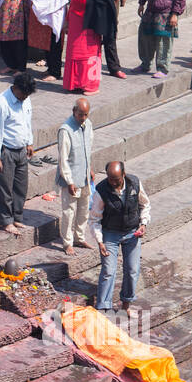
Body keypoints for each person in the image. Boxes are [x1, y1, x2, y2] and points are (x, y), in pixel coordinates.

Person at [91, 161, 150, 313]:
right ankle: (103, 308)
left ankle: (126, 304)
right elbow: (95, 219)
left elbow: (145, 205)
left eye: (116, 179)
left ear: (123, 175)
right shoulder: (101, 190)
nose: (113, 183)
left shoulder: (135, 183)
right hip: (110, 234)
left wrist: (143, 224)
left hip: (132, 232)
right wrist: (99, 241)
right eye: (110, 179)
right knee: (108, 271)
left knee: (132, 270)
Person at [0, 71, 36, 235]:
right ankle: (5, 220)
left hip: (20, 149)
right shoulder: (0, 104)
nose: (25, 97)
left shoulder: (26, 99)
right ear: (15, 88)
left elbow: (27, 122)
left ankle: (17, 216)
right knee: (4, 189)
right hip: (4, 151)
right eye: (23, 94)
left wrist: (29, 141)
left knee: (21, 187)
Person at [63, 0, 116, 95]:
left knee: (88, 56)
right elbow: (73, 3)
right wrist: (68, 21)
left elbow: (106, 8)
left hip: (89, 27)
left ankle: (91, 86)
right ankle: (76, 83)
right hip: (75, 26)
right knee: (74, 53)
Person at [56, 98, 94, 255]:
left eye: (85, 115)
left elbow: (88, 150)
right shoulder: (65, 130)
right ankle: (67, 242)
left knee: (84, 210)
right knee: (69, 211)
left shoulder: (88, 125)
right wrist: (69, 181)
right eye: (80, 115)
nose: (83, 118)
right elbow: (63, 159)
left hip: (84, 176)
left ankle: (80, 237)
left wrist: (89, 169)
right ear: (74, 112)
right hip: (71, 178)